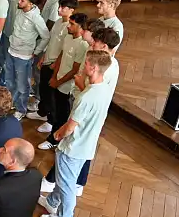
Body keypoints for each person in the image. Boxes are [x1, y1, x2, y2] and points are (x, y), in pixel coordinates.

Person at [41, 27, 120, 195]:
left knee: (70, 147)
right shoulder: (109, 63)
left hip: (86, 111)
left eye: (95, 43)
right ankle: (77, 182)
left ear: (105, 46)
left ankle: (52, 180)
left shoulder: (107, 68)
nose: (92, 45)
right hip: (88, 109)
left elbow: (95, 94)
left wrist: (79, 85)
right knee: (83, 147)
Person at [40, 51, 113, 217]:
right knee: (64, 177)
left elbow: (71, 126)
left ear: (94, 68)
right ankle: (52, 201)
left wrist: (57, 135)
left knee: (67, 183)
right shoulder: (104, 89)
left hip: (74, 146)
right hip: (86, 145)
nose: (83, 65)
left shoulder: (86, 97)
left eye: (86, 63)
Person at [39, 13, 88, 150]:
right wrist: (54, 76)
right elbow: (61, 56)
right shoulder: (67, 36)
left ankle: (54, 140)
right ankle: (54, 132)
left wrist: (59, 81)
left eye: (72, 24)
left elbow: (75, 70)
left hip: (67, 85)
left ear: (81, 27)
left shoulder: (82, 45)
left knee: (62, 114)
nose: (69, 26)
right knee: (55, 109)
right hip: (58, 79)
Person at [26, 0, 77, 125]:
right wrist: (43, 56)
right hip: (48, 59)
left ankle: (51, 121)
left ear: (72, 10)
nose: (59, 10)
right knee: (43, 88)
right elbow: (51, 40)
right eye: (59, 7)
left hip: (55, 63)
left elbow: (64, 49)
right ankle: (42, 111)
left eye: (63, 8)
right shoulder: (59, 22)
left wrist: (55, 64)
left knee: (52, 93)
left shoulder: (70, 27)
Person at [5, 0, 50, 120]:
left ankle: (21, 109)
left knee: (22, 85)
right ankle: (10, 102)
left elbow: (46, 36)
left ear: (30, 3)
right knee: (9, 81)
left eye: (22, 0)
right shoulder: (20, 11)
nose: (19, 2)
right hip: (11, 51)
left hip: (24, 56)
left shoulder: (36, 18)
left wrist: (36, 52)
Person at [0, 0, 32, 86]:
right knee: (4, 56)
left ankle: (5, 83)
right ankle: (3, 79)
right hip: (7, 29)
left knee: (9, 60)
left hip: (14, 33)